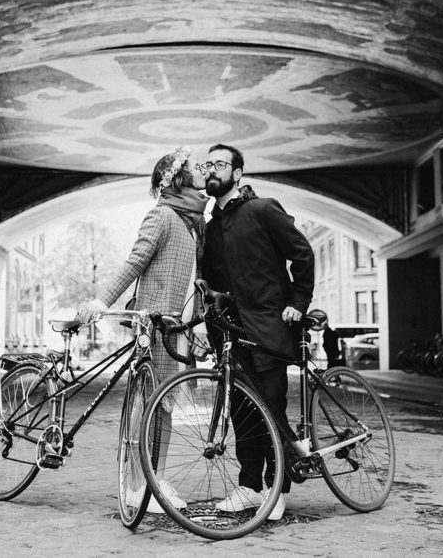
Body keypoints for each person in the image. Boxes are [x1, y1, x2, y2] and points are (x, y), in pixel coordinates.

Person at [77, 146, 208, 513]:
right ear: (178, 176)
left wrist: (199, 325)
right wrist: (102, 301)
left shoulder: (191, 221)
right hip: (154, 325)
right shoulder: (163, 215)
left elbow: (196, 281)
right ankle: (138, 485)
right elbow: (135, 260)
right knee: (149, 403)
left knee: (164, 406)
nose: (203, 170)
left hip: (176, 328)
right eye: (196, 167)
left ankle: (157, 477)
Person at [199, 143, 315, 521]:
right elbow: (209, 283)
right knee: (241, 412)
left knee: (272, 408)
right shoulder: (210, 226)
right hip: (229, 335)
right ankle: (250, 487)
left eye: (220, 163)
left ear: (237, 173)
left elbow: (302, 254)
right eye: (208, 164)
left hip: (269, 328)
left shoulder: (264, 209)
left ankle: (277, 488)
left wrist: (298, 302)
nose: (212, 169)